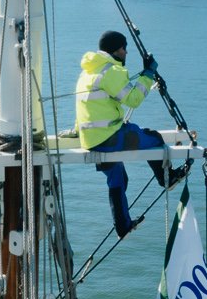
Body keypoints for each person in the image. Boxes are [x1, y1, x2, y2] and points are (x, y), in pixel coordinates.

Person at [74, 31, 176, 238]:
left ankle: (123, 226)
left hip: (91, 140)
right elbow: (134, 100)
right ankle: (168, 179)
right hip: (109, 138)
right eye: (124, 48)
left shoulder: (87, 73)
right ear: (115, 50)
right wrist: (148, 75)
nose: (126, 52)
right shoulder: (111, 71)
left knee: (118, 176)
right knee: (154, 138)